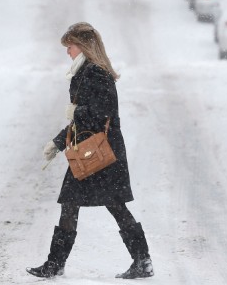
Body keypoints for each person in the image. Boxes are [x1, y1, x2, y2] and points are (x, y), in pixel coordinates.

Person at [26, 22, 154, 279]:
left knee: (105, 205)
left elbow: (98, 116)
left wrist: (75, 113)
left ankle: (141, 260)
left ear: (82, 46)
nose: (67, 52)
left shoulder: (95, 73)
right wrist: (58, 142)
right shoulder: (87, 71)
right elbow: (83, 120)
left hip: (98, 153)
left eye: (70, 46)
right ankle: (140, 260)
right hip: (94, 151)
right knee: (77, 204)